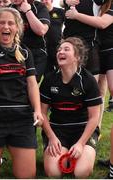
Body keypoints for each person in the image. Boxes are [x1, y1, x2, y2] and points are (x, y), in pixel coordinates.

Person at [0, 7, 43, 178]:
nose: (6, 27)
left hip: (21, 119)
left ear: (17, 28)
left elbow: (32, 84)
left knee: (27, 176)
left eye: (11, 23)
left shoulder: (26, 53)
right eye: (2, 23)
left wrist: (38, 110)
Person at [40, 37, 102, 178]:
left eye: (66, 49)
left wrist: (80, 144)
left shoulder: (88, 80)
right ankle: (64, 152)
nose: (60, 52)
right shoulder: (49, 79)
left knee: (81, 172)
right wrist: (52, 137)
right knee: (54, 172)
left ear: (77, 57)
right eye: (59, 49)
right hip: (58, 131)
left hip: (83, 130)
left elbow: (94, 117)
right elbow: (42, 114)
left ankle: (82, 151)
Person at [65, 0, 113, 165]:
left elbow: (101, 23)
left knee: (96, 91)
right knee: (84, 90)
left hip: (102, 50)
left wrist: (76, 15)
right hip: (94, 49)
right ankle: (80, 129)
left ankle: (94, 130)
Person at [11, 0, 50, 82]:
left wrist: (28, 11)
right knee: (16, 84)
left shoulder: (39, 6)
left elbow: (41, 30)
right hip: (15, 52)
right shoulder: (10, 9)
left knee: (32, 83)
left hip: (36, 52)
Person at [40, 0, 65, 73]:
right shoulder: (38, 13)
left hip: (57, 48)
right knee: (46, 73)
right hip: (43, 48)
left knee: (60, 71)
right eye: (41, 0)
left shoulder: (60, 12)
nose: (44, 2)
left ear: (51, 1)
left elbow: (69, 26)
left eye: (46, 0)